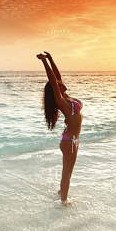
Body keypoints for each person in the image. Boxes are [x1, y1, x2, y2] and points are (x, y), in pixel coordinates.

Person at [36, 51, 83, 204]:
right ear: (57, 88)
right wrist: (44, 62)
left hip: (74, 140)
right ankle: (63, 202)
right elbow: (52, 79)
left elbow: (56, 76)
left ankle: (61, 191)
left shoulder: (68, 98)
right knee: (67, 173)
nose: (60, 81)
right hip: (69, 140)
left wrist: (51, 59)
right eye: (57, 83)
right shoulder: (61, 100)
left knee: (69, 171)